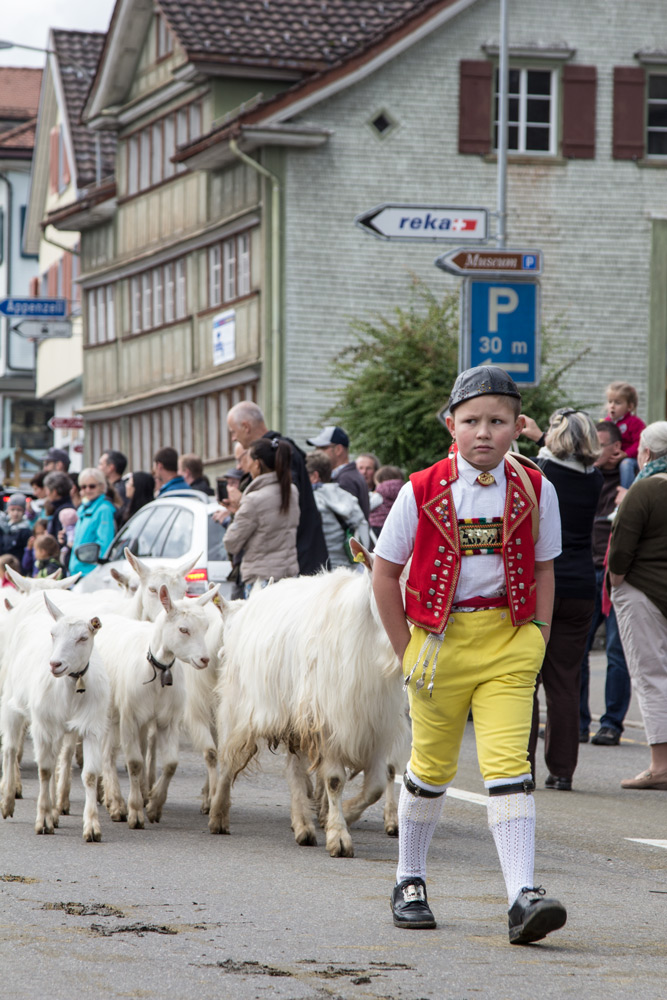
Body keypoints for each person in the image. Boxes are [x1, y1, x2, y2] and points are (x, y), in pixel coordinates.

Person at [373, 365, 566, 945]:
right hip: (437, 645)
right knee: (431, 769)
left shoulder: (537, 487)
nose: (484, 432)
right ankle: (409, 878)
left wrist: (538, 637)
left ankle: (522, 895)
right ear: (451, 425)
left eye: (498, 421)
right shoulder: (420, 489)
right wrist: (406, 652)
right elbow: (384, 574)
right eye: (472, 421)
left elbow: (544, 568)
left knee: (510, 767)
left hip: (509, 642)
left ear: (518, 427)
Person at [525, 408, 602, 791]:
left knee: (524, 679)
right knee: (565, 683)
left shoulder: (540, 473)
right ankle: (562, 771)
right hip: (581, 588)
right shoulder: (595, 479)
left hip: (542, 584)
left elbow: (543, 463)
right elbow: (566, 457)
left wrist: (536, 437)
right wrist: (543, 436)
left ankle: (520, 768)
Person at [609, 421, 667, 790]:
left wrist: (616, 581)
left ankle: (660, 766)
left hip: (642, 591)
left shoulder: (644, 488)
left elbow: (621, 547)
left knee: (651, 676)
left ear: (646, 452)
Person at [227, 401, 327, 575]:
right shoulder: (283, 450)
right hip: (296, 561)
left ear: (246, 427)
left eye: (233, 432)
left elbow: (278, 509)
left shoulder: (283, 455)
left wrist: (243, 504)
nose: (233, 438)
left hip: (292, 566)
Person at [579, 422, 631, 746]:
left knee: (615, 652)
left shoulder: (630, 479)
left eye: (599, 444)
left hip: (615, 576)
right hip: (587, 571)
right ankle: (578, 723)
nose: (592, 449)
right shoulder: (585, 478)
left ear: (616, 449)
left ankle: (611, 724)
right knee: (578, 649)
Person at [222, 437, 299, 596]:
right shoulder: (292, 491)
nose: (245, 466)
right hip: (290, 579)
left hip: (261, 582)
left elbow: (231, 543)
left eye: (247, 460)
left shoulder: (253, 500)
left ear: (257, 464)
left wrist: (238, 510)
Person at [306, 450, 370, 568]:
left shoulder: (310, 503)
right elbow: (363, 531)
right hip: (350, 570)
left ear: (315, 476)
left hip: (322, 570)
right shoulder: (348, 497)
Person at [306, 425, 371, 520]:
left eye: (322, 448)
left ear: (338, 449)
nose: (317, 452)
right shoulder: (349, 475)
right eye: (316, 448)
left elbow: (346, 521)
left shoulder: (345, 479)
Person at [68, 468, 117, 578]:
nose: (87, 490)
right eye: (83, 487)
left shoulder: (104, 509)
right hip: (77, 571)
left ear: (102, 486)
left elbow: (105, 544)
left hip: (91, 573)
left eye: (92, 486)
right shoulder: (83, 509)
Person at [604, 381, 645, 489]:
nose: (612, 406)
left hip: (630, 458)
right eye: (610, 401)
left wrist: (625, 454)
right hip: (612, 457)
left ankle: (626, 492)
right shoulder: (606, 422)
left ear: (630, 406)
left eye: (617, 403)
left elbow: (640, 443)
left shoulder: (635, 423)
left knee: (626, 464)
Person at [369, 465, 404, 538]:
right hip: (397, 525)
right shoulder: (403, 491)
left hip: (378, 525)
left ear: (380, 481)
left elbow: (367, 506)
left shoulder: (379, 494)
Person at [0, 494, 33, 566]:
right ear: (8, 510)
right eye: (12, 510)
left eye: (19, 510)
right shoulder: (4, 527)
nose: (15, 513)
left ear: (23, 511)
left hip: (17, 567)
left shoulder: (26, 530)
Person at [43, 471, 76, 541]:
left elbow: (59, 540)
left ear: (54, 492)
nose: (46, 493)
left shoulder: (64, 512)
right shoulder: (69, 506)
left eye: (47, 490)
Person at [98, 450, 128, 521]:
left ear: (111, 468)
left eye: (100, 464)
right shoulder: (119, 487)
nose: (98, 468)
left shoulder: (120, 490)